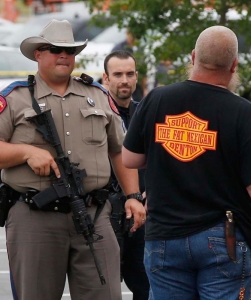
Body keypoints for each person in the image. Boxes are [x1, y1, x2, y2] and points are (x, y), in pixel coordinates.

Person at [0, 19, 146, 300]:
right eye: (54, 49)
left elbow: (119, 150)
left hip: (93, 212)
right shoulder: (14, 98)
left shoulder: (98, 96)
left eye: (70, 50)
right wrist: (26, 152)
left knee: (105, 294)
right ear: (38, 54)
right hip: (35, 218)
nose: (63, 55)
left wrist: (133, 196)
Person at [122, 25, 251, 299]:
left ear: (192, 56)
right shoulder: (242, 113)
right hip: (223, 238)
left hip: (165, 236)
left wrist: (169, 148)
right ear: (234, 66)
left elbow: (130, 158)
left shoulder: (157, 99)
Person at [103, 50, 150, 300]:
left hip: (142, 216)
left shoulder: (147, 114)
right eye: (118, 74)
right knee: (103, 289)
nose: (124, 80)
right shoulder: (95, 116)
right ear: (106, 78)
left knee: (146, 287)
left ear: (137, 77)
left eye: (129, 74)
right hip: (103, 212)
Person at [111, 30, 146, 102]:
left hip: (137, 86)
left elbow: (144, 69)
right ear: (127, 33)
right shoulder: (119, 48)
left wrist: (144, 88)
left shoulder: (140, 49)